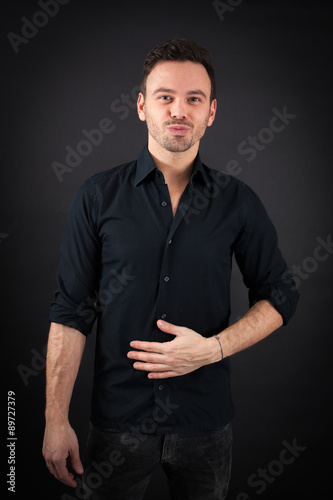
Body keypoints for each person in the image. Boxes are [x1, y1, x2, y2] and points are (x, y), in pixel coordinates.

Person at [42, 38, 299, 500]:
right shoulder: (97, 196)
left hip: (206, 426)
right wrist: (54, 420)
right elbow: (71, 312)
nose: (179, 110)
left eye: (193, 99)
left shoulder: (237, 201)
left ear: (211, 112)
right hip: (116, 424)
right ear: (142, 106)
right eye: (166, 97)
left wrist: (213, 349)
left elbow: (281, 294)